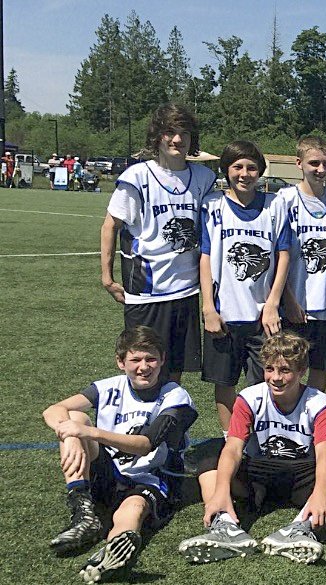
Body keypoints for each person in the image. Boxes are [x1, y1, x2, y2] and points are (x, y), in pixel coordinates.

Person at [178, 332, 326, 565]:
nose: (276, 378)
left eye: (285, 370)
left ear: (302, 371)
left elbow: (325, 452)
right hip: (258, 474)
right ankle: (226, 528)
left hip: (302, 474)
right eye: (270, 369)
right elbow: (233, 447)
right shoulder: (249, 398)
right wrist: (222, 490)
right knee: (209, 464)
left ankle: (300, 528)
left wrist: (322, 495)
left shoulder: (318, 402)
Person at [42, 327, 197, 583]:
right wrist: (69, 434)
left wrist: (89, 433)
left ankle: (112, 555)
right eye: (135, 359)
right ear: (121, 362)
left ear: (162, 360)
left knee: (132, 510)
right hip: (107, 472)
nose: (144, 367)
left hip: (149, 477)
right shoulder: (108, 387)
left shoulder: (175, 396)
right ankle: (83, 511)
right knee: (74, 417)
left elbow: (145, 444)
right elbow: (54, 410)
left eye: (151, 359)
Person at [100, 104, 217, 383]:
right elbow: (110, 225)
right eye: (169, 132)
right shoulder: (137, 176)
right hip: (146, 291)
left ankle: (171, 424)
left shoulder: (204, 178)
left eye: (184, 133)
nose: (177, 139)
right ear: (157, 136)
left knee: (174, 368)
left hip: (186, 291)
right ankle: (141, 424)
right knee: (144, 366)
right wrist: (107, 277)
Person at [199, 141, 291, 437]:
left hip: (262, 314)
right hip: (224, 313)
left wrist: (273, 303)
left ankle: (259, 437)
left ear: (261, 172)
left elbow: (283, 255)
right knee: (224, 382)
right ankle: (232, 438)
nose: (244, 173)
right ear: (226, 170)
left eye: (251, 167)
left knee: (264, 381)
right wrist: (208, 308)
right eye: (237, 167)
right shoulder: (212, 205)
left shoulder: (275, 204)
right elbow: (205, 257)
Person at [278, 135, 326, 392]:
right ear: (299, 163)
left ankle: (311, 422)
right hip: (295, 304)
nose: (321, 170)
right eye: (314, 163)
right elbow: (276, 255)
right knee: (287, 368)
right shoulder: (284, 200)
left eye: (325, 163)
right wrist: (287, 299)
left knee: (320, 370)